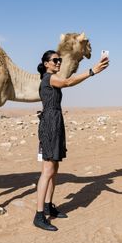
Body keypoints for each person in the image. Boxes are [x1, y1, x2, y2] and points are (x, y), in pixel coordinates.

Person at [34, 50, 109, 231]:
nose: (58, 62)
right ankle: (38, 215)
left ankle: (48, 205)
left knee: (55, 168)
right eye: (55, 60)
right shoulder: (49, 79)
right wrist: (92, 71)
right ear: (46, 64)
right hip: (50, 125)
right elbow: (68, 82)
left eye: (60, 60)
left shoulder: (52, 78)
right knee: (47, 170)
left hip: (55, 123)